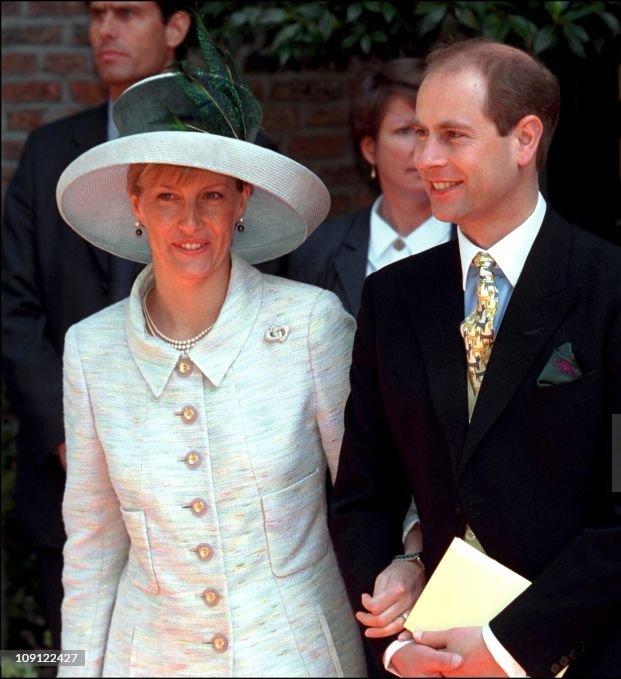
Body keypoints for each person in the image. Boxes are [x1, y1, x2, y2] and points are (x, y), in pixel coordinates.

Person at [54, 30, 418, 676]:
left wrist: (411, 560)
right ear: (136, 204)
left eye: (211, 196)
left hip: (299, 656)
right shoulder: (91, 350)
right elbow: (90, 551)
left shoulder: (311, 325)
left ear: (241, 202)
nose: (189, 223)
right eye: (167, 196)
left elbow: (380, 491)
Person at [330, 38, 621, 677]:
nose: (426, 159)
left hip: (593, 659)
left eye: (452, 136)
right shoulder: (392, 298)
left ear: (525, 140)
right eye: (418, 135)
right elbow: (364, 494)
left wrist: (506, 645)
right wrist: (392, 641)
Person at [1, 1, 192, 650]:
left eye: (127, 12)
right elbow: (13, 305)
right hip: (66, 484)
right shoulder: (49, 151)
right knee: (75, 654)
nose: (104, 30)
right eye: (96, 13)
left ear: (176, 27)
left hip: (199, 477)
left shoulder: (231, 156)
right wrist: (69, 437)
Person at [287, 57, 452, 316]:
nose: (426, 149)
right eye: (406, 131)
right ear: (370, 149)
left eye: (437, 132)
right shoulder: (318, 250)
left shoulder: (478, 242)